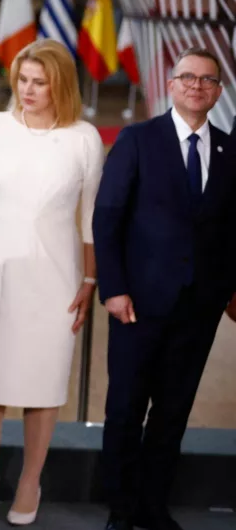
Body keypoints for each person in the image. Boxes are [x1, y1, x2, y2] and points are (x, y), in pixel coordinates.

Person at [0, 39, 105, 526]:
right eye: (23, 80)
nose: (28, 89)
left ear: (61, 84)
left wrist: (92, 276)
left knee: (44, 380)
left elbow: (92, 217)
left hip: (57, 277)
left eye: (39, 81)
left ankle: (31, 479)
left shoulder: (84, 138)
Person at [95, 47, 236, 530]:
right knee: (125, 408)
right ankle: (121, 506)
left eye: (208, 81)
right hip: (137, 304)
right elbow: (107, 217)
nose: (197, 86)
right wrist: (113, 288)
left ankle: (153, 506)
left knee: (172, 412)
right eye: (188, 78)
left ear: (218, 92)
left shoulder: (229, 150)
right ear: (172, 85)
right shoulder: (137, 140)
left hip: (199, 310)